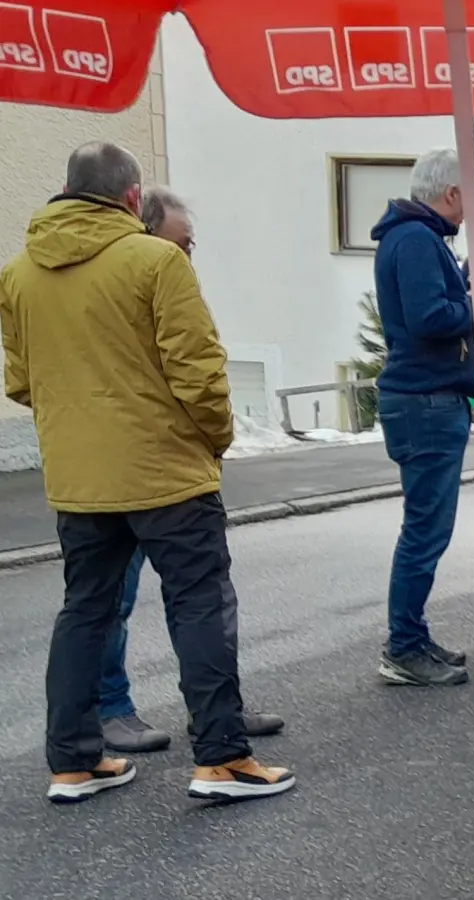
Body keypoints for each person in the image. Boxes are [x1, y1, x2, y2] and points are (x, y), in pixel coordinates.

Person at [1, 142, 294, 803]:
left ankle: (73, 763)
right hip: (166, 470)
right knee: (199, 606)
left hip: (79, 478)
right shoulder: (156, 261)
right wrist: (214, 438)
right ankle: (222, 759)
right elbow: (198, 369)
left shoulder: (17, 274)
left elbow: (21, 381)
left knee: (85, 612)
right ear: (132, 198)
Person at [99, 185, 285, 753]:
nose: (186, 257)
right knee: (119, 598)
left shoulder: (161, 283)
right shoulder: (125, 285)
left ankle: (215, 708)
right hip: (136, 468)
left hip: (159, 463)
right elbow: (198, 380)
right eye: (179, 244)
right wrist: (217, 434)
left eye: (190, 246)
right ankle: (114, 710)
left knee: (200, 600)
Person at [372, 149, 474, 687]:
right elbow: (429, 318)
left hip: (428, 399)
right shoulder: (415, 240)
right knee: (425, 531)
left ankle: (411, 635)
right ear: (452, 193)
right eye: (471, 193)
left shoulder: (416, 237)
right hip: (425, 401)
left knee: (426, 528)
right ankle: (403, 645)